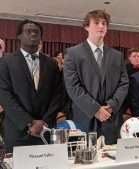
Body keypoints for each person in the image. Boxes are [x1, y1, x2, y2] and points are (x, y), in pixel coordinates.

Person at [63, 10, 129, 144]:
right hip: (85, 118)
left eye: (104, 23)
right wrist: (95, 110)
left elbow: (124, 83)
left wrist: (111, 105)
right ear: (87, 26)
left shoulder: (117, 56)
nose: (101, 26)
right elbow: (73, 87)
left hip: (111, 119)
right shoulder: (73, 53)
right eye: (97, 23)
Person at [0, 20, 64, 152]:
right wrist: (28, 122)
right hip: (18, 130)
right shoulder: (6, 62)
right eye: (28, 31)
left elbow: (58, 95)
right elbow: (4, 95)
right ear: (19, 36)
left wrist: (44, 122)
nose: (33, 34)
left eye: (37, 32)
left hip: (46, 130)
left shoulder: (51, 64)